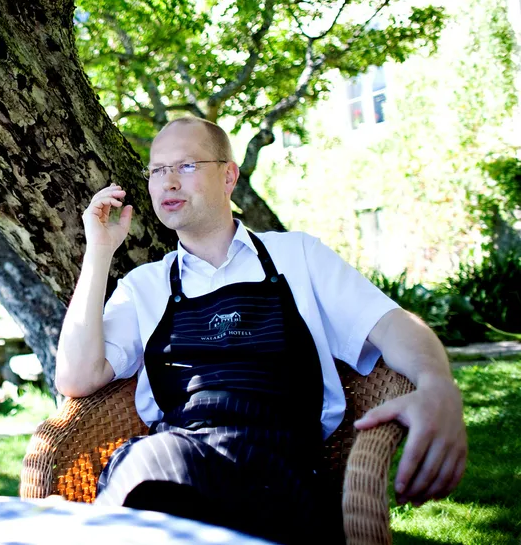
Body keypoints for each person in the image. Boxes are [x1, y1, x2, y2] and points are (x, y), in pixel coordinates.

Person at [55, 117, 467, 544]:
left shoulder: (299, 256)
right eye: (158, 170)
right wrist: (99, 252)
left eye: (187, 166)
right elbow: (76, 376)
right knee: (154, 467)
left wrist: (438, 384)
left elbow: (393, 326)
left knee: (146, 480)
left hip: (280, 475)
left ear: (229, 175)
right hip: (171, 460)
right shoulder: (145, 286)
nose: (169, 182)